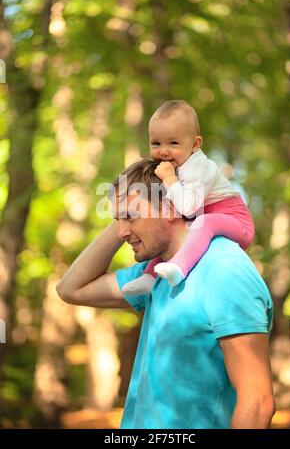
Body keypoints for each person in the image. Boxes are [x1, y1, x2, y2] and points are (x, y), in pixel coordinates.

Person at [57, 159, 275, 429]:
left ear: (170, 207)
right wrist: (124, 212)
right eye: (117, 220)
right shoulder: (153, 274)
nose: (122, 232)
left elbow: (258, 402)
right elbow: (71, 289)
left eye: (130, 217)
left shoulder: (224, 271)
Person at [121, 100, 255, 296]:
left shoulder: (200, 167)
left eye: (173, 143)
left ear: (195, 144)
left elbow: (189, 208)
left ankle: (179, 268)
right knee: (166, 232)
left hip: (236, 221)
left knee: (203, 222)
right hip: (207, 216)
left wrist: (170, 178)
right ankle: (150, 277)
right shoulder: (177, 165)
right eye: (156, 143)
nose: (164, 151)